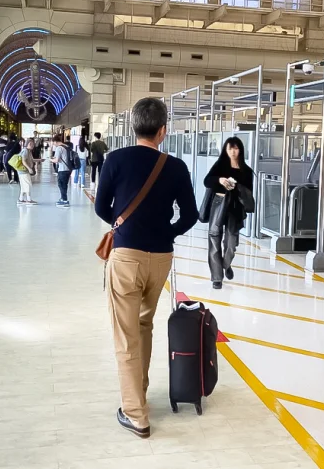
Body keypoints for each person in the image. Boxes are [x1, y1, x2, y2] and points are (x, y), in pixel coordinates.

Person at [95, 97, 198, 439]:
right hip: (160, 259)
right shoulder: (176, 166)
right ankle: (138, 392)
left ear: (134, 126)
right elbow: (190, 215)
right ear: (163, 131)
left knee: (125, 336)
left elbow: (100, 206)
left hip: (126, 256)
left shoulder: (115, 159)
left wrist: (123, 224)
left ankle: (136, 413)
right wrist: (165, 231)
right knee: (143, 324)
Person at [203, 137, 254, 289]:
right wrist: (220, 180)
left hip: (235, 208)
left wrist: (237, 187)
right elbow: (207, 181)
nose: (233, 151)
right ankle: (217, 278)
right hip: (218, 204)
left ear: (240, 150)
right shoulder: (220, 166)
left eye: (236, 148)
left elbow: (249, 192)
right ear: (225, 150)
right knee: (214, 239)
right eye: (230, 148)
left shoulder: (246, 170)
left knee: (231, 243)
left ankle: (226, 264)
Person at [50, 134, 71, 207]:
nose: (54, 145)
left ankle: (65, 200)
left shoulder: (59, 148)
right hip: (69, 168)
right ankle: (63, 198)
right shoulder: (67, 146)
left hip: (62, 169)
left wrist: (50, 159)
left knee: (61, 184)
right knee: (64, 184)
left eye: (53, 143)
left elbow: (56, 160)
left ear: (55, 141)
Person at [17, 138, 39, 205]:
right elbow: (23, 161)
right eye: (30, 144)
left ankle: (21, 199)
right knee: (28, 184)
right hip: (23, 171)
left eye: (33, 144)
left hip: (22, 171)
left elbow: (31, 160)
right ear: (27, 144)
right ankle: (28, 200)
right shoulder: (25, 151)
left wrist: (40, 160)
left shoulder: (28, 151)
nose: (32, 145)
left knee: (24, 185)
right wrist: (29, 168)